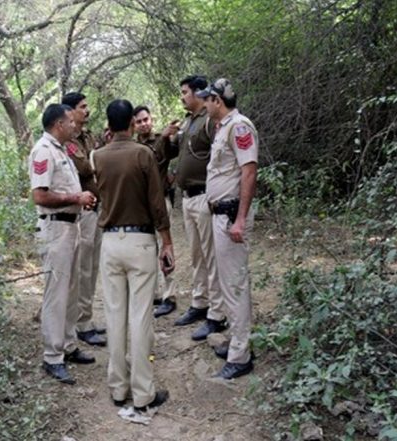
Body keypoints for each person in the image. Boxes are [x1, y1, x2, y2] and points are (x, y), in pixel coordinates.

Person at [92, 99, 172, 412]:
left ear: (109, 126)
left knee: (114, 316)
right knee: (140, 317)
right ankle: (143, 392)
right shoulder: (143, 154)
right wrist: (167, 242)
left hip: (110, 243)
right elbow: (157, 203)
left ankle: (117, 387)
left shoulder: (97, 155)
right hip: (140, 241)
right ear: (130, 124)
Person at [29, 103, 98, 384]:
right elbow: (40, 196)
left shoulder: (62, 150)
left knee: (72, 290)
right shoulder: (43, 151)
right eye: (70, 121)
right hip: (55, 228)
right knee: (56, 294)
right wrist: (75, 199)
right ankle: (52, 355)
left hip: (72, 226)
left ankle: (68, 344)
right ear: (58, 124)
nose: (74, 125)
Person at [197, 78, 258, 379]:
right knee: (227, 283)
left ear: (217, 101)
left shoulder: (239, 126)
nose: (204, 104)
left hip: (231, 215)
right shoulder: (223, 128)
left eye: (207, 99)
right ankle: (238, 341)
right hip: (220, 215)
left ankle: (240, 355)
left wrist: (241, 219)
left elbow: (249, 173)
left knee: (235, 286)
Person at [161, 75, 226, 342]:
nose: (182, 96)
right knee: (197, 254)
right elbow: (176, 151)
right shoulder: (188, 122)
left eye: (185, 92)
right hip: (187, 199)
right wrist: (166, 137)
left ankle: (218, 314)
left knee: (212, 256)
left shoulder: (211, 121)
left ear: (199, 93)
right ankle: (200, 303)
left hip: (204, 197)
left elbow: (220, 156)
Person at [61, 92, 107, 347]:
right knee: (83, 268)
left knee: (92, 266)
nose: (87, 111)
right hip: (82, 213)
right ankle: (80, 323)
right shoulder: (67, 141)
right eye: (82, 107)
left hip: (96, 208)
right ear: (70, 111)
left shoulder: (89, 137)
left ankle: (85, 319)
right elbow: (86, 168)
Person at [133, 105, 178, 317]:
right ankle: (153, 294)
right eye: (138, 121)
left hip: (160, 201)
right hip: (140, 205)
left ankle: (169, 295)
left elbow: (160, 157)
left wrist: (167, 137)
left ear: (151, 119)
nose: (143, 124)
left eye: (145, 119)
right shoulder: (131, 145)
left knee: (165, 246)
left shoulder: (163, 139)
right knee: (145, 250)